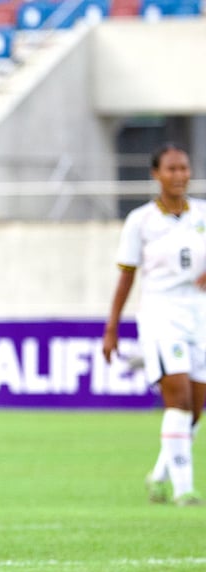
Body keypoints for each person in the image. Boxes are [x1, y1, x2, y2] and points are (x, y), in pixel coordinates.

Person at [103, 143, 204, 507]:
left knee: (195, 410)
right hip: (161, 314)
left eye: (184, 168)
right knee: (177, 399)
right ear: (156, 174)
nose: (179, 175)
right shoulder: (141, 221)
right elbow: (126, 276)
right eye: (171, 169)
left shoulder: (202, 214)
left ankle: (160, 476)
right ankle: (183, 490)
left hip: (199, 314)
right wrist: (111, 326)